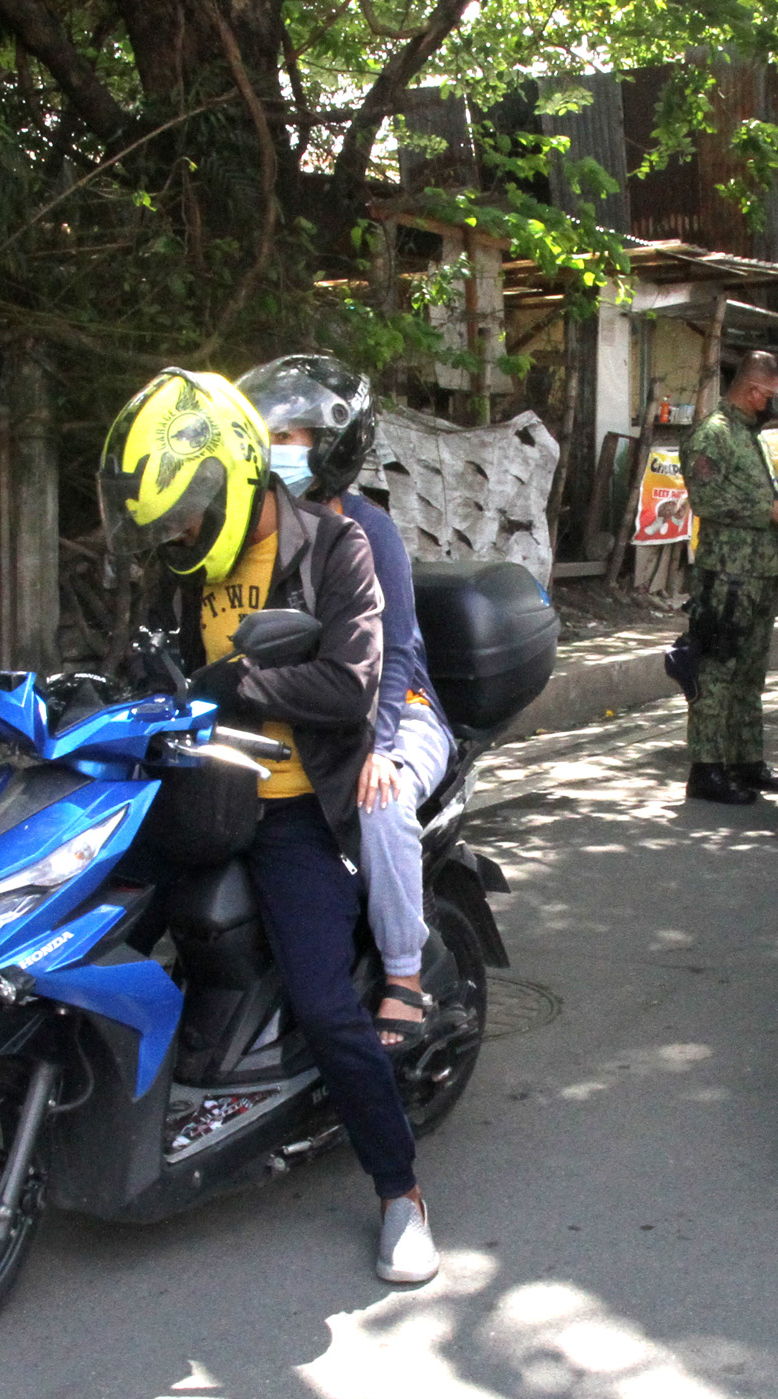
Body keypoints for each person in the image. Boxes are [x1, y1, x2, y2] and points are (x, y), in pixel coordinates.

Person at [101, 368, 437, 1282]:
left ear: (236, 479)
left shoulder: (337, 547)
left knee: (330, 1006)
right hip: (197, 788)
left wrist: (239, 685)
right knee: (86, 922)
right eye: (169, 521)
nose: (178, 534)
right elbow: (149, 667)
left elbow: (351, 684)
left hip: (291, 806)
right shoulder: (192, 568)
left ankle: (400, 1194)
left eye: (189, 514)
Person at [235, 354, 443, 1056]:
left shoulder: (366, 529)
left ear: (334, 444)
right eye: (270, 434)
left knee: (379, 801)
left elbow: (398, 653)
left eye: (291, 436)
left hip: (397, 712)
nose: (276, 450)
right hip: (298, 719)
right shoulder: (247, 529)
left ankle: (405, 976)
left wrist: (377, 746)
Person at [681, 351, 778, 805]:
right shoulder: (713, 435)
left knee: (750, 674)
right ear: (755, 390)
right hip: (727, 576)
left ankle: (745, 761)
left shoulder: (748, 435)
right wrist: (770, 512)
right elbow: (705, 500)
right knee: (717, 672)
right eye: (773, 395)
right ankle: (707, 769)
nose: (775, 404)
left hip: (761, 573)